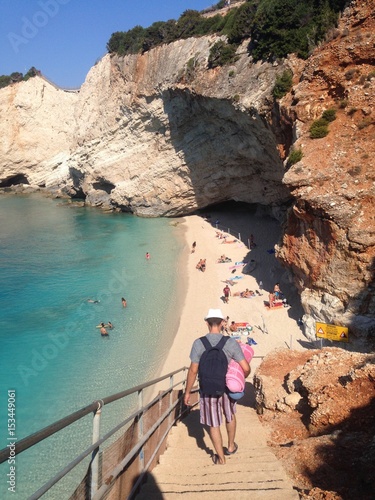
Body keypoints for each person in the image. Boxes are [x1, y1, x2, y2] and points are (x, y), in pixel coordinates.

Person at [184, 309, 250, 465]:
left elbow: (193, 370)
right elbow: (246, 368)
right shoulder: (231, 343)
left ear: (207, 323)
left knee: (214, 424)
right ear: (222, 323)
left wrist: (187, 392)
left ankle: (221, 458)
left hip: (207, 389)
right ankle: (231, 446)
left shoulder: (198, 343)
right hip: (226, 387)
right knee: (229, 415)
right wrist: (240, 380)